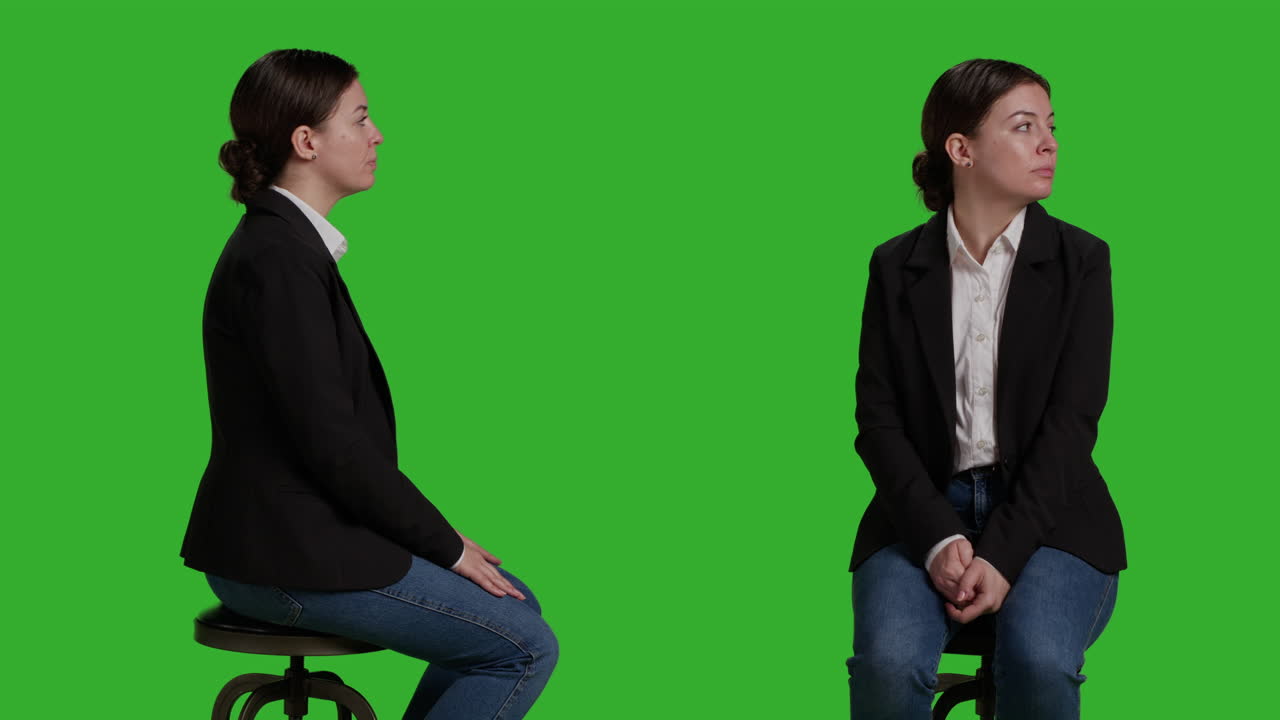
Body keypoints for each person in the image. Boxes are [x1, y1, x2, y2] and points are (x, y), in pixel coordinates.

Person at [181, 49, 557, 720]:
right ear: (307, 141)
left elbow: (332, 443)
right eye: (359, 118)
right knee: (521, 645)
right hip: (283, 558)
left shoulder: (286, 247)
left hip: (294, 539)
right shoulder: (278, 261)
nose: (377, 133)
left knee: (513, 605)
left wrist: (443, 541)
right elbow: (334, 447)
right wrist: (442, 545)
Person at [846, 59, 1126, 719]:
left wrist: (1000, 553)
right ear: (961, 150)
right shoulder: (895, 266)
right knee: (886, 666)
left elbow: (1073, 422)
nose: (1049, 143)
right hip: (918, 511)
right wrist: (941, 539)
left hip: (1055, 516)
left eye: (1050, 127)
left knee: (1038, 662)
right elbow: (878, 422)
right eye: (1024, 127)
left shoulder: (1082, 262)